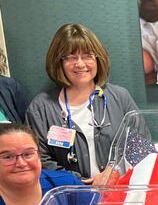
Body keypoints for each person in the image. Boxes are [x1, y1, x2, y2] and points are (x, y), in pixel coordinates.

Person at [25, 24, 139, 182]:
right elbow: (39, 158)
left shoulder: (120, 97)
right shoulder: (40, 108)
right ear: (58, 62)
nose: (80, 64)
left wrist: (113, 173)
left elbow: (140, 145)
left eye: (87, 56)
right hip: (69, 193)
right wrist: (78, 181)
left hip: (119, 188)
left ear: (98, 59)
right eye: (71, 57)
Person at [0, 123, 82, 205]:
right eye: (8, 157)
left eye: (28, 154)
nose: (21, 163)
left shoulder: (66, 185)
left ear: (39, 155)